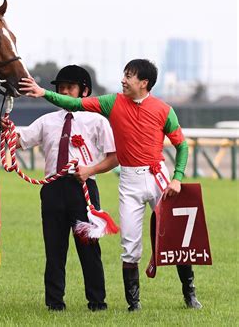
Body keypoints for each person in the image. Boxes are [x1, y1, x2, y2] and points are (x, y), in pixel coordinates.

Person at [20, 59, 202, 311]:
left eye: (129, 76)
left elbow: (181, 145)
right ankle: (133, 304)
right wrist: (43, 93)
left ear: (144, 83)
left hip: (158, 176)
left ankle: (189, 293)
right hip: (128, 179)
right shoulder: (111, 102)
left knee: (175, 237)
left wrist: (178, 177)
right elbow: (74, 103)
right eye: (124, 74)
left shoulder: (164, 109)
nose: (123, 80)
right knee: (129, 244)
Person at [3, 65, 117, 312]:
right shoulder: (46, 121)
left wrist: (90, 170)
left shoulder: (97, 120)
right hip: (53, 190)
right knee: (54, 248)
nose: (64, 92)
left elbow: (113, 157)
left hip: (83, 189)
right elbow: (20, 140)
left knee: (89, 248)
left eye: (70, 87)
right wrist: (6, 129)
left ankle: (97, 302)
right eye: (61, 88)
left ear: (83, 91)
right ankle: (55, 302)